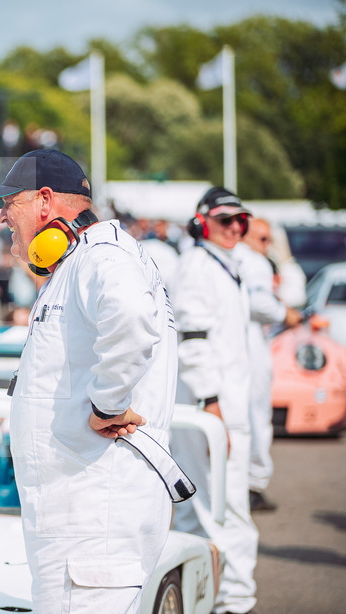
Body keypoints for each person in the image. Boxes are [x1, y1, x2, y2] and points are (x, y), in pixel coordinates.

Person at [0, 149, 177, 613]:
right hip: (82, 515)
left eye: (11, 202)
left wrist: (108, 405)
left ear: (45, 202)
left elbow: (130, 317)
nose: (3, 215)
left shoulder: (100, 256)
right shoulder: (89, 257)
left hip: (90, 518)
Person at [171, 187, 258, 614]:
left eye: (240, 220)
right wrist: (211, 403)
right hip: (212, 408)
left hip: (218, 407)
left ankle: (200, 600)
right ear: (201, 222)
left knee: (198, 512)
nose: (235, 228)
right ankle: (235, 602)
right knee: (228, 511)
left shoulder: (222, 263)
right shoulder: (197, 266)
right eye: (225, 220)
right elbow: (193, 341)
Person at [236, 217, 302, 512]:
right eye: (263, 239)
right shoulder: (253, 261)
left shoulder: (220, 258)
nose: (267, 246)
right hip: (249, 345)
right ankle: (253, 483)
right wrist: (284, 314)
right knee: (256, 415)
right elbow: (260, 303)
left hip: (232, 346)